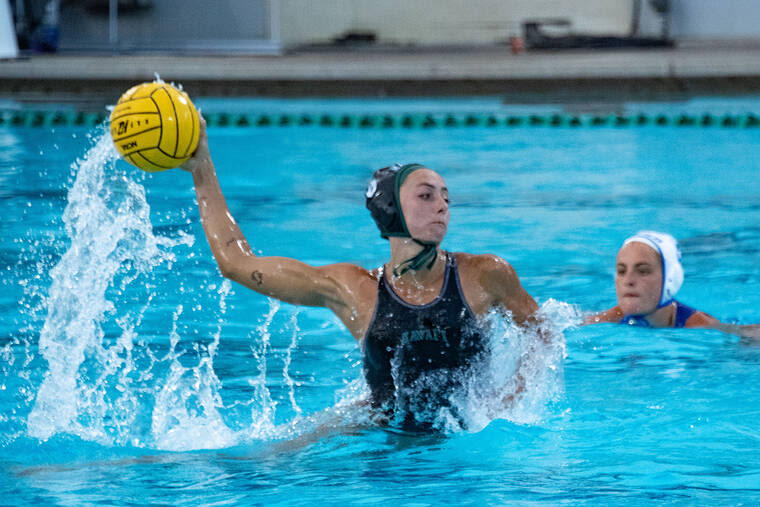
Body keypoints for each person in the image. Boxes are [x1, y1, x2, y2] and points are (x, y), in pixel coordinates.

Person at [181, 117, 547, 430]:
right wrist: (202, 169)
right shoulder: (355, 289)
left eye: (446, 198)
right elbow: (236, 264)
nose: (443, 207)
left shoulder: (484, 275)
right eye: (426, 196)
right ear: (390, 208)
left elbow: (542, 331)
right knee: (266, 459)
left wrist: (508, 396)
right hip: (379, 435)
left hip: (467, 439)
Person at [586, 230, 759, 338]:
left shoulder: (698, 326)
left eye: (643, 271)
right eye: (622, 271)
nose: (628, 281)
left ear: (669, 279)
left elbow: (745, 334)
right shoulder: (610, 318)